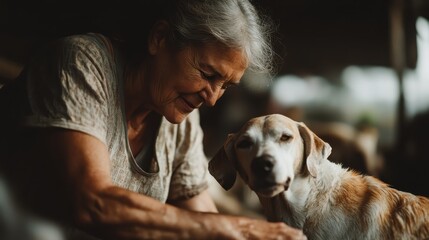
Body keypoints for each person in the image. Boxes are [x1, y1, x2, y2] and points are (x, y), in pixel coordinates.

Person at [0, 0, 307, 239]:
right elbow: (92, 203)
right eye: (207, 74)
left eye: (225, 86)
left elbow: (204, 218)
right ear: (159, 38)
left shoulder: (182, 121)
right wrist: (239, 229)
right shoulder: (80, 64)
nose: (212, 98)